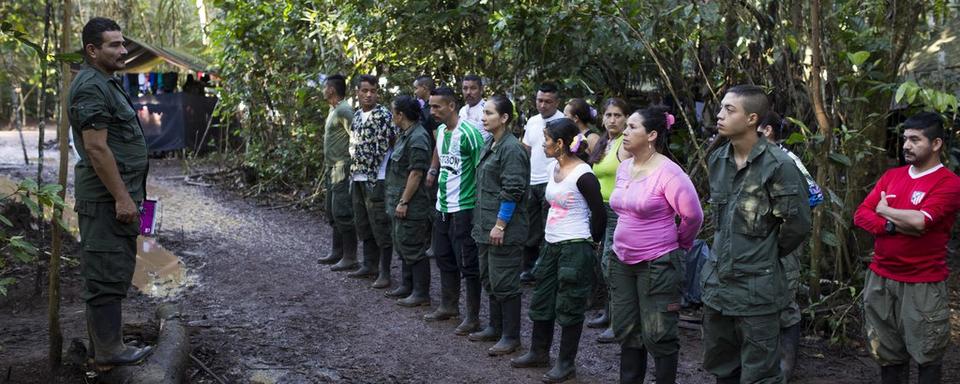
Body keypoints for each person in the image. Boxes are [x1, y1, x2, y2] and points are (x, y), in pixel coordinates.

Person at [701, 84, 811, 384]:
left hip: (757, 290)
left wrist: (764, 254)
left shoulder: (780, 166)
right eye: (721, 108)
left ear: (751, 119)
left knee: (760, 373)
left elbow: (798, 225)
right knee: (721, 366)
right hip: (718, 285)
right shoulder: (718, 160)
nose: (720, 115)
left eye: (729, 110)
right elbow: (721, 223)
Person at [68, 17, 153, 367]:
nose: (123, 50)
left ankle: (107, 343)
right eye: (113, 45)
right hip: (105, 201)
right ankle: (108, 351)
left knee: (114, 268)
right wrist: (121, 197)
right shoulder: (91, 86)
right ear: (92, 50)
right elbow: (96, 148)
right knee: (105, 274)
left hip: (114, 197)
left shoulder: (107, 82)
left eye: (122, 43)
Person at [853, 112, 960, 384]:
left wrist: (886, 210)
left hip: (922, 282)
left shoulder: (949, 182)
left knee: (928, 355)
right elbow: (862, 214)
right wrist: (890, 224)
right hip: (880, 278)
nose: (906, 146)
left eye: (915, 140)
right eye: (905, 139)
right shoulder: (892, 176)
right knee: (887, 354)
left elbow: (921, 222)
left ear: (936, 144)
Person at [608, 106, 703, 384]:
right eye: (626, 127)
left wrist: (679, 244)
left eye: (632, 127)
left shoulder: (670, 173)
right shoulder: (624, 167)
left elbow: (693, 216)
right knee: (627, 329)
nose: (624, 132)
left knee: (659, 333)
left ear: (651, 135)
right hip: (622, 260)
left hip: (657, 262)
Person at [511, 118, 606, 383]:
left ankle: (566, 364)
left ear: (561, 143)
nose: (543, 145)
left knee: (569, 305)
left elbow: (599, 214)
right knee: (542, 300)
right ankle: (539, 352)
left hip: (574, 247)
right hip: (551, 245)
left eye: (547, 140)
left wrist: (591, 242)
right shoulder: (555, 167)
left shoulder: (583, 174)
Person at [757, 111, 825, 380]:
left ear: (768, 131)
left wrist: (783, 227)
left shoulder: (788, 160)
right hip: (756, 248)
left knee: (784, 300)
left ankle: (786, 367)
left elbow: (814, 195)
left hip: (782, 244)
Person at [467, 95, 530, 356]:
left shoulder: (511, 148)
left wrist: (501, 224)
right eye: (483, 113)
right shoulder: (490, 143)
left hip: (503, 228)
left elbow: (513, 189)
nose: (483, 117)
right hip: (484, 225)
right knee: (490, 278)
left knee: (505, 281)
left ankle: (510, 336)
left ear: (504, 118)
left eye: (489, 113)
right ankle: (495, 326)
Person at [423, 87, 485, 335]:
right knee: (443, 255)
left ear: (451, 106)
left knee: (468, 263)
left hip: (465, 206)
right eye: (430, 106)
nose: (432, 111)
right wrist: (432, 169)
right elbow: (438, 150)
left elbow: (482, 165)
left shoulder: (469, 133)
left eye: (437, 106)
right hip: (442, 204)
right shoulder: (439, 131)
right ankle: (449, 305)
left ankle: (472, 316)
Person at [585, 98, 632, 343]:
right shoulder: (604, 143)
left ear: (626, 119)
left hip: (618, 211)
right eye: (609, 115)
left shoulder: (626, 144)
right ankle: (608, 312)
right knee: (601, 262)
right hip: (600, 209)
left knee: (610, 265)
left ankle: (618, 322)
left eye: (618, 115)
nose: (612, 120)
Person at [346, 74, 396, 290]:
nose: (368, 95)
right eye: (364, 91)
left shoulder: (384, 115)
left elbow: (392, 142)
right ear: (357, 92)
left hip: (377, 178)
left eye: (373, 91)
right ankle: (369, 264)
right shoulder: (356, 116)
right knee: (363, 222)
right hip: (357, 176)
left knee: (380, 225)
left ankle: (385, 272)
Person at [384, 96, 433, 307]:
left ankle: (421, 292)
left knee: (413, 245)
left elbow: (416, 173)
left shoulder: (418, 137)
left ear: (400, 115)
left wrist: (404, 201)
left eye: (393, 112)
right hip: (399, 198)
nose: (391, 116)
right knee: (402, 241)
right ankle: (407, 285)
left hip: (412, 203)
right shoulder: (405, 134)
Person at [519, 83, 565, 284]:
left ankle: (547, 270)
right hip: (532, 180)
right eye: (540, 100)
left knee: (550, 227)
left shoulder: (563, 121)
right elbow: (526, 148)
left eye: (548, 101)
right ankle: (528, 269)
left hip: (553, 181)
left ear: (557, 102)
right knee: (531, 227)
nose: (543, 105)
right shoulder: (532, 121)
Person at [318, 74, 359, 272]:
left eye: (324, 87)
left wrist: (352, 165)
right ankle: (337, 251)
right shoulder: (333, 109)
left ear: (331, 89)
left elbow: (357, 136)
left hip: (342, 168)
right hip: (330, 168)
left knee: (343, 210)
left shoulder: (345, 110)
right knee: (332, 210)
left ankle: (350, 256)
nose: (323, 90)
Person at [459, 74, 490, 142]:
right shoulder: (462, 110)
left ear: (481, 90)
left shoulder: (488, 110)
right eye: (465, 88)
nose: (468, 92)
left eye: (473, 88)